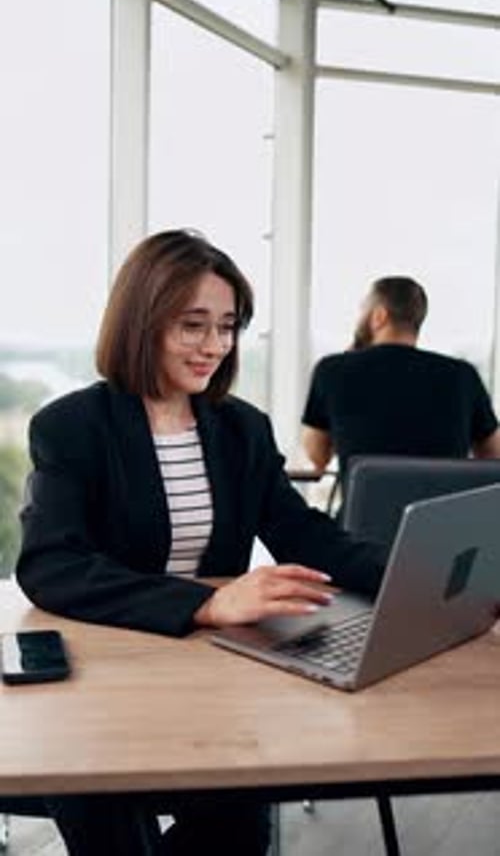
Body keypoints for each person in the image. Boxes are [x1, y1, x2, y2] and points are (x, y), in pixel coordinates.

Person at [16, 229, 388, 856]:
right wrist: (203, 603)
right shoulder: (73, 426)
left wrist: (411, 576)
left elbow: (308, 535)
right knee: (109, 821)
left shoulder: (241, 429)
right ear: (144, 319)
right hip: (99, 677)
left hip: (209, 680)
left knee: (239, 828)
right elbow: (52, 563)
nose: (215, 345)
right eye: (194, 325)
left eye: (228, 326)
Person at [301, 276, 500, 483]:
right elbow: (493, 455)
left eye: (363, 311)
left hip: (364, 513)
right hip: (443, 513)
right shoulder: (463, 376)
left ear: (379, 316)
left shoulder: (332, 370)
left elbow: (317, 455)